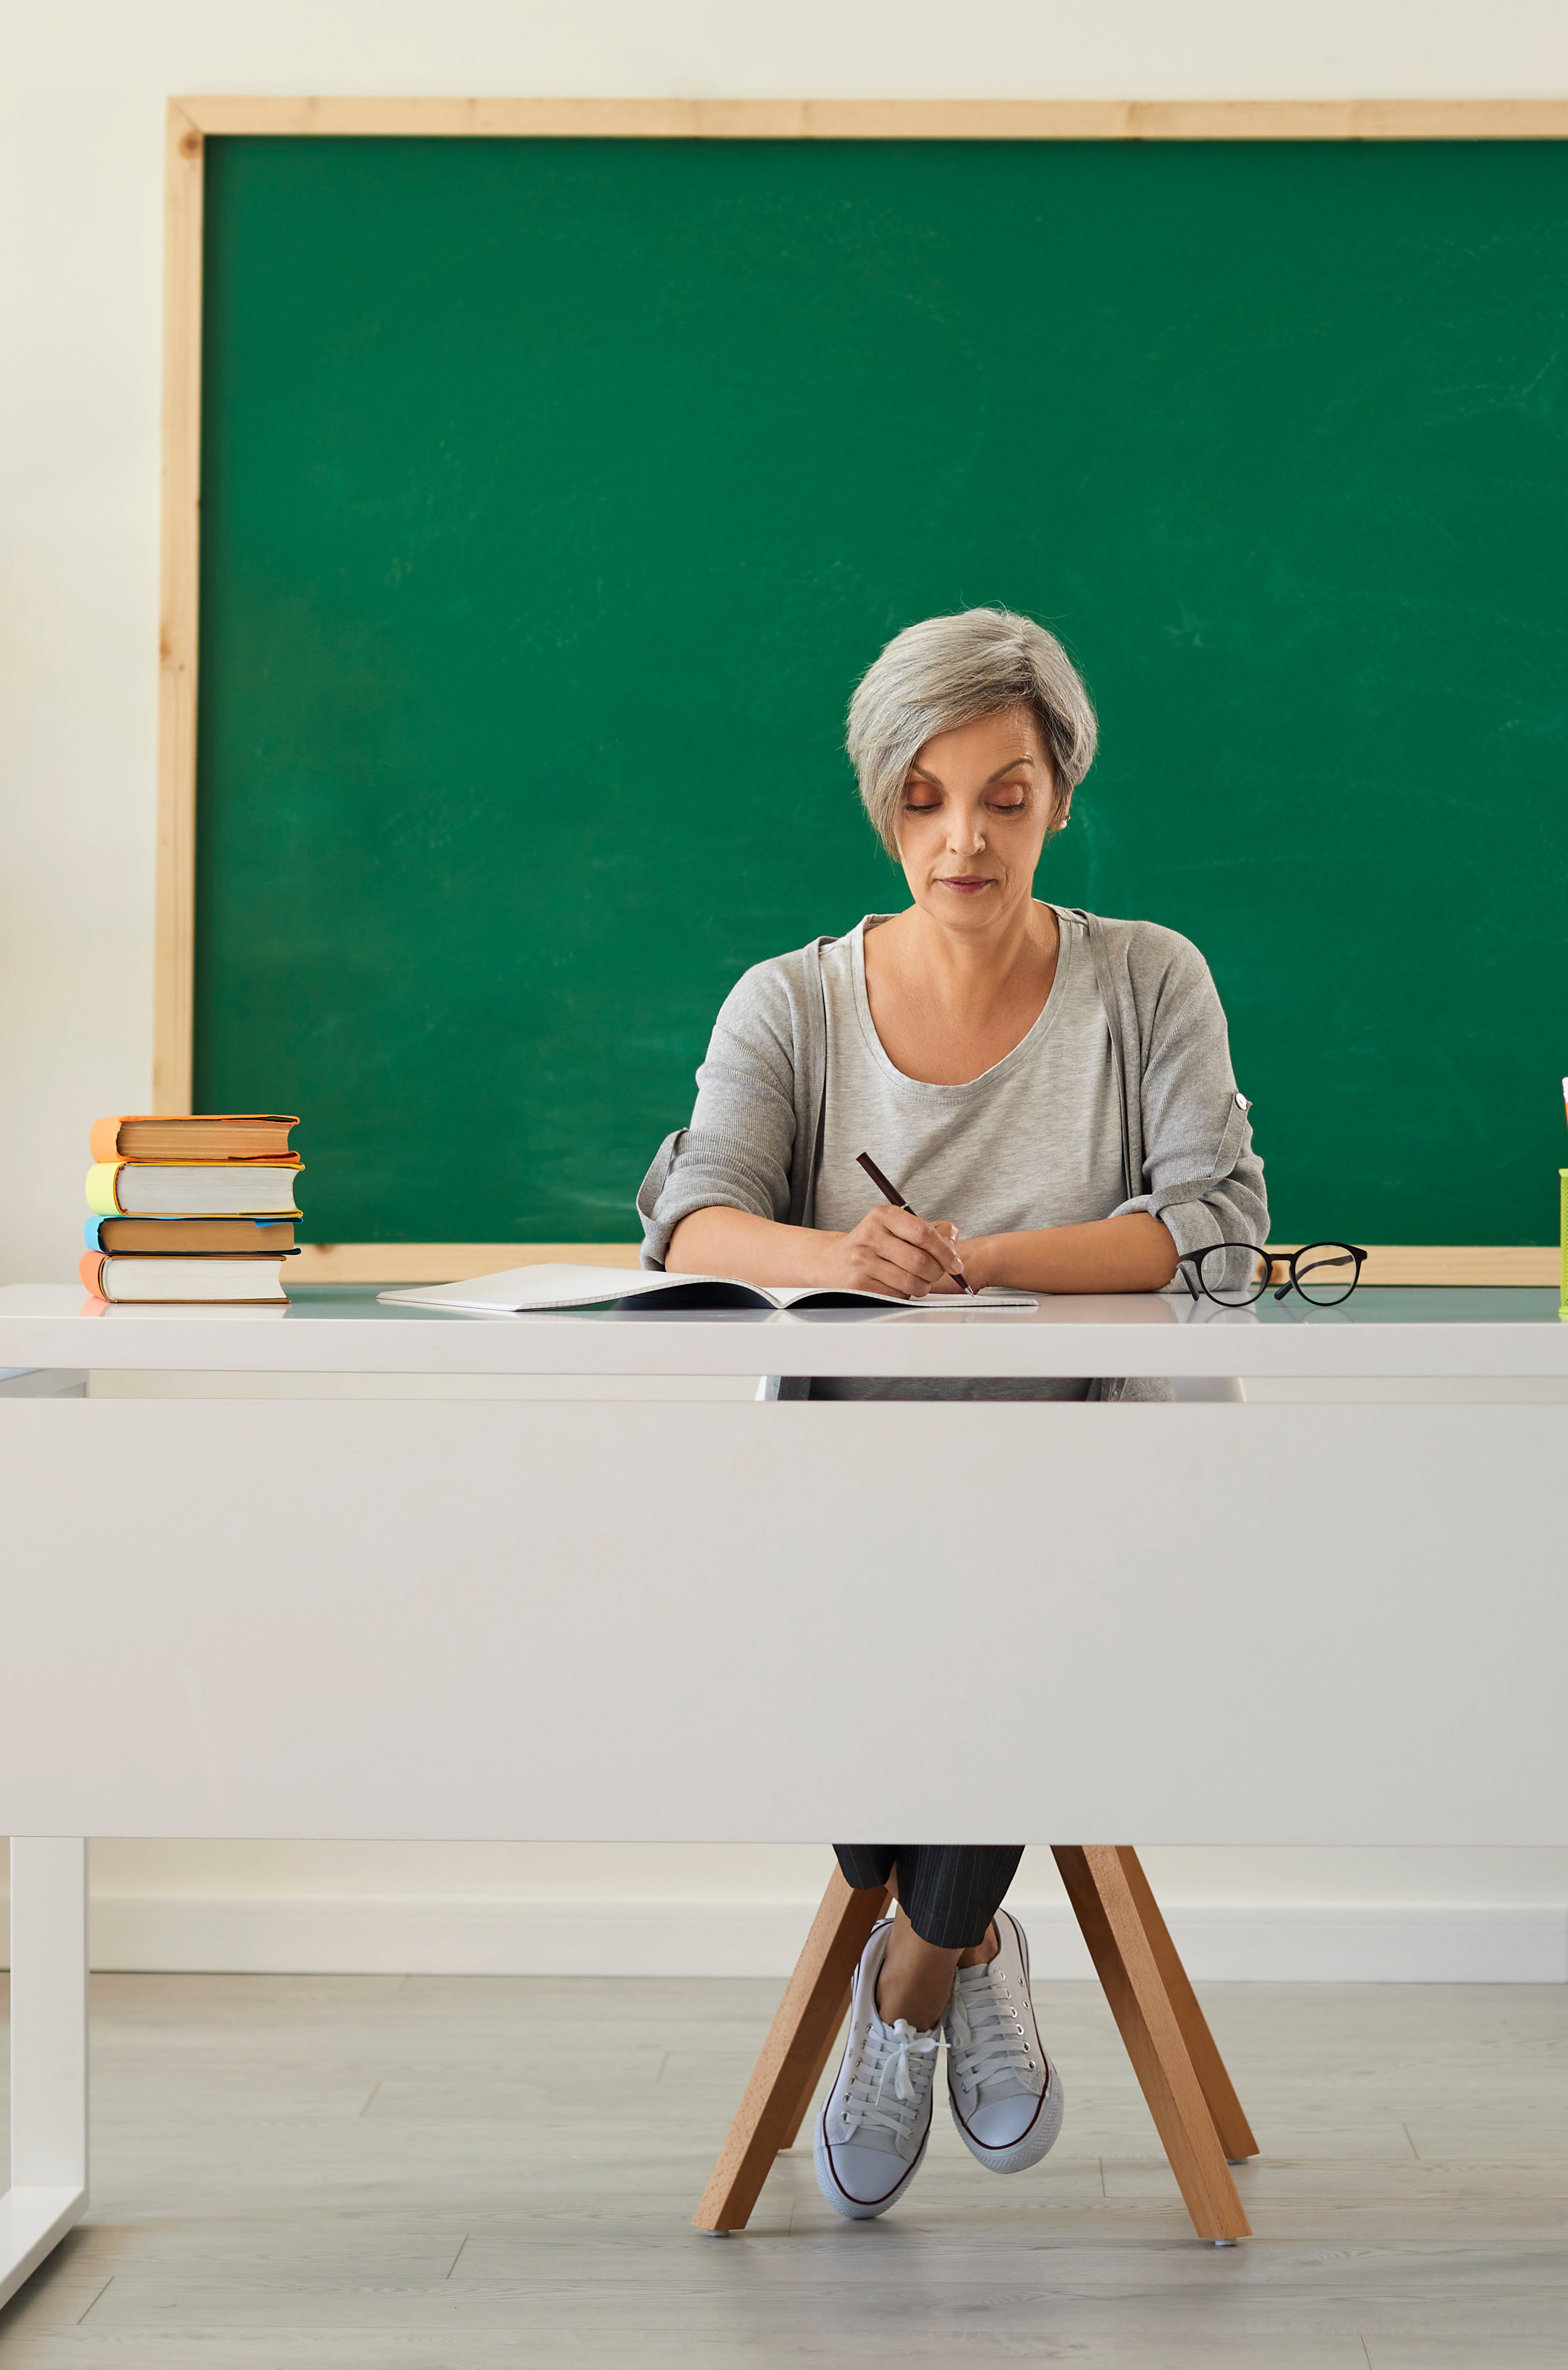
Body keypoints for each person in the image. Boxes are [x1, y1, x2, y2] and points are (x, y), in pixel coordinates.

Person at [637, 607, 1267, 2220]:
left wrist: (978, 1259)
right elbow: (690, 1221)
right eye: (923, 798)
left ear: (1061, 791)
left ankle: (908, 1986)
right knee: (891, 1633)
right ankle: (968, 1936)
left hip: (1098, 1496)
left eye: (1003, 793)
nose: (963, 837)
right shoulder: (790, 1001)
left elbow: (1217, 1235)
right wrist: (845, 1254)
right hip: (840, 1506)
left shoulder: (1147, 980)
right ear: (878, 804)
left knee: (1017, 1614)